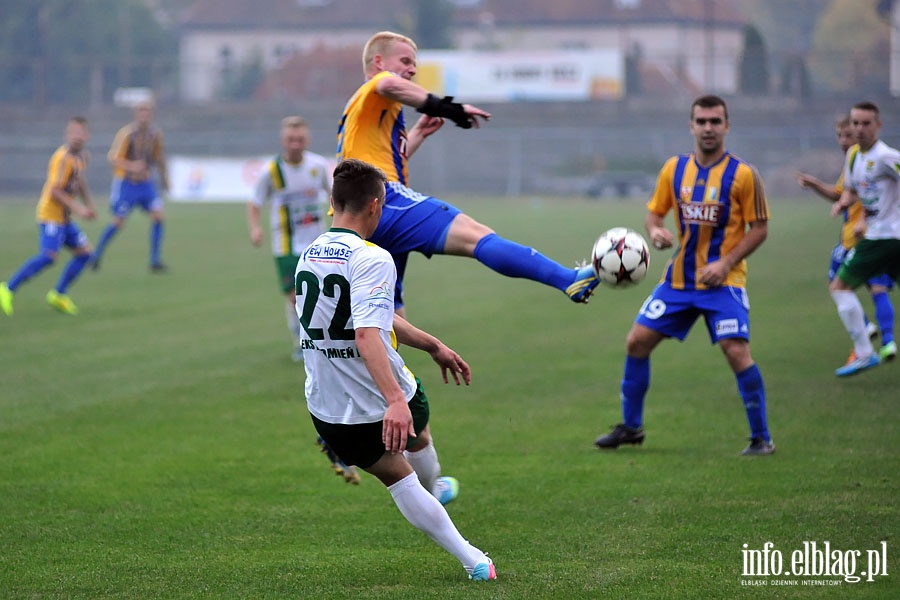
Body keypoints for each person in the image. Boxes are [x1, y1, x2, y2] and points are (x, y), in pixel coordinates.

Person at [298, 158, 496, 581]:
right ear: (374, 206)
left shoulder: (308, 255)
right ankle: (471, 556)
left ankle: (466, 546)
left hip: (328, 412)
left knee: (396, 474)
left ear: (333, 204)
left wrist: (432, 344)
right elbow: (368, 334)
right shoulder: (373, 258)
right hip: (384, 398)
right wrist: (393, 402)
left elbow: (372, 316)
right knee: (413, 434)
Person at [337, 31, 598, 316]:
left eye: (415, 63)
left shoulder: (362, 112)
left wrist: (419, 134)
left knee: (387, 311)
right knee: (477, 236)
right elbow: (389, 84)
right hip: (385, 202)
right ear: (378, 61)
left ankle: (388, 362)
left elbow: (386, 160)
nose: (412, 69)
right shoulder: (378, 85)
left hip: (360, 217)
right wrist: (451, 109)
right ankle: (569, 280)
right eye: (405, 60)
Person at [594, 95, 774, 456]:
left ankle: (761, 438)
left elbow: (760, 228)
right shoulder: (673, 170)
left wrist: (724, 263)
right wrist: (656, 231)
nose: (708, 128)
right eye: (702, 121)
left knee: (736, 351)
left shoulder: (743, 174)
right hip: (678, 280)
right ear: (691, 126)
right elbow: (654, 214)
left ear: (726, 125)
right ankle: (631, 427)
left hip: (724, 282)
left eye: (715, 121)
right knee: (636, 342)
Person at [796, 115, 896, 364]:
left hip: (865, 237)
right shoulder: (855, 159)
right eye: (839, 136)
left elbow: (870, 194)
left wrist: (863, 217)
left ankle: (867, 338)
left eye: (848, 135)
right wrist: (820, 187)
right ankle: (887, 341)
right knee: (876, 287)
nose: (843, 141)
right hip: (874, 235)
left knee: (838, 283)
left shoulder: (871, 159)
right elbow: (846, 193)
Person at [247, 116, 333, 363]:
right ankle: (300, 342)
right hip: (285, 244)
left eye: (300, 139)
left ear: (308, 140)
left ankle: (322, 338)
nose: (295, 143)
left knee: (321, 293)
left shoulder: (317, 165)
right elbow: (254, 202)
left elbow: (333, 193)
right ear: (283, 141)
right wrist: (255, 228)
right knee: (295, 296)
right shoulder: (271, 171)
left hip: (317, 242)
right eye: (290, 139)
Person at [828, 101, 900, 376]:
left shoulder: (886, 156)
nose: (859, 129)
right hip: (882, 235)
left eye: (866, 123)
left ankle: (864, 352)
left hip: (883, 237)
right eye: (855, 123)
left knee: (839, 286)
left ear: (878, 126)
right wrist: (843, 205)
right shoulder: (854, 157)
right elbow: (852, 191)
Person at [1, 117, 97, 317]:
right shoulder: (62, 158)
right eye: (73, 132)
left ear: (86, 135)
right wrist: (80, 209)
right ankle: (7, 288)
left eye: (81, 132)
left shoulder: (81, 157)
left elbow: (79, 182)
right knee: (48, 256)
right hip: (51, 216)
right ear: (67, 134)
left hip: (65, 219)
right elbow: (55, 190)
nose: (77, 136)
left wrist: (89, 205)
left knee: (85, 253)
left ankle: (58, 294)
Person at [89, 100, 169, 272]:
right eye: (141, 112)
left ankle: (155, 260)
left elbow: (158, 158)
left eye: (147, 113)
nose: (144, 116)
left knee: (158, 216)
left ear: (151, 115)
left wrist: (165, 179)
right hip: (127, 185)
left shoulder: (155, 135)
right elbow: (113, 158)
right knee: (118, 222)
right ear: (136, 115)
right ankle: (96, 256)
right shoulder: (126, 134)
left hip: (146, 185)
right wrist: (132, 166)